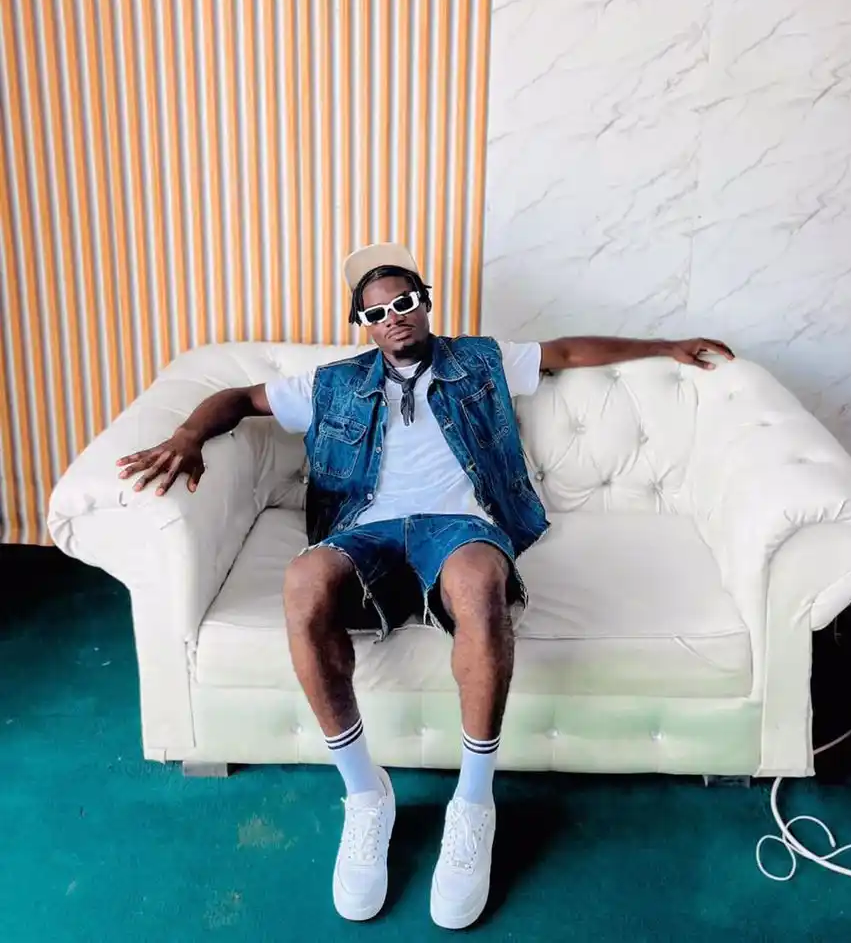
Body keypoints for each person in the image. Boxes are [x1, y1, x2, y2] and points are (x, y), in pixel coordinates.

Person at [117, 243, 733, 929]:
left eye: (405, 302)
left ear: (426, 302)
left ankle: (473, 804)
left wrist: (665, 346)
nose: (395, 317)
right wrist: (188, 435)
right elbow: (237, 398)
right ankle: (365, 795)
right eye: (376, 312)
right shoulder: (332, 384)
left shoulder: (481, 361)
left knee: (480, 582)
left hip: (459, 528)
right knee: (304, 581)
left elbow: (565, 351)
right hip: (365, 532)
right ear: (363, 323)